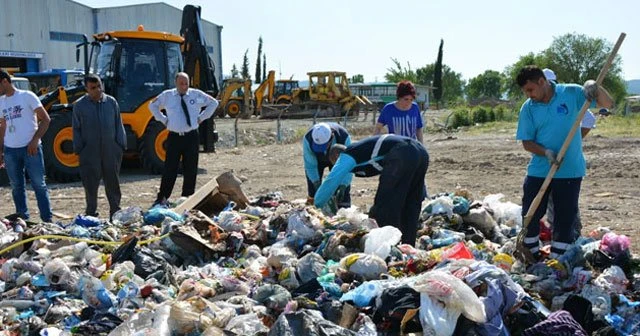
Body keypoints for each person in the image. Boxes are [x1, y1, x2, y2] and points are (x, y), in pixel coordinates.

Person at [516, 65, 613, 260]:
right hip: (539, 170)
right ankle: (531, 255)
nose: (529, 95)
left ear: (542, 82)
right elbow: (527, 142)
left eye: (530, 90)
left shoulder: (571, 92)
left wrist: (594, 87)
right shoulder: (528, 108)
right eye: (525, 91)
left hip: (570, 171)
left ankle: (558, 260)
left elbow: (607, 103)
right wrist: (546, 152)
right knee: (531, 213)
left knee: (564, 217)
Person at [314, 134, 429, 245]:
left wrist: (315, 205)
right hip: (421, 152)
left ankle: (388, 247)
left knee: (384, 207)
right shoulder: (363, 152)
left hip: (402, 152)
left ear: (336, 158)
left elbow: (332, 179)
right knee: (410, 205)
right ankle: (408, 246)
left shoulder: (347, 155)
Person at [542, 68, 597, 239]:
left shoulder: (565, 99)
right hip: (547, 158)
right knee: (554, 197)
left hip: (566, 161)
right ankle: (563, 231)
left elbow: (589, 119)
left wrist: (574, 140)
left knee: (564, 198)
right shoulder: (538, 104)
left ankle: (567, 232)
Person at [149, 72, 218, 205]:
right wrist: (163, 120)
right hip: (174, 137)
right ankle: (163, 197)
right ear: (176, 83)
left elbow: (213, 103)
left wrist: (201, 118)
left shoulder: (195, 95)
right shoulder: (167, 96)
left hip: (191, 136)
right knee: (170, 168)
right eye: (181, 83)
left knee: (191, 168)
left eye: (186, 83)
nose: (184, 86)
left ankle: (187, 198)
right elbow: (152, 106)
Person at [0, 68, 53, 222]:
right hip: (11, 150)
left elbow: (46, 119)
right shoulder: (1, 102)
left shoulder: (27, 96)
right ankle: (24, 218)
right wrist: (1, 151)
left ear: (4, 81)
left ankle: (47, 220)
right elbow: (2, 126)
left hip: (31, 149)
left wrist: (35, 140)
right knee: (16, 186)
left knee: (39, 184)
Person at [72, 74, 126, 219]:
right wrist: (79, 149)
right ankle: (91, 214)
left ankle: (115, 212)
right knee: (90, 184)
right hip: (89, 151)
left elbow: (118, 124)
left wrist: (120, 145)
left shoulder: (111, 102)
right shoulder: (80, 105)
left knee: (112, 182)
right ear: (86, 89)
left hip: (110, 150)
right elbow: (76, 129)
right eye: (93, 88)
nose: (97, 90)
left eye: (99, 87)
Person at [302, 122, 352, 208]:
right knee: (313, 190)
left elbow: (349, 165)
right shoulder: (308, 139)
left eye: (323, 146)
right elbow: (310, 166)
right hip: (317, 160)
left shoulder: (343, 137)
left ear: (331, 137)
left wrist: (344, 184)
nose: (321, 149)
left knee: (341, 189)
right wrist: (316, 183)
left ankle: (343, 208)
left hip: (338, 159)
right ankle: (313, 211)